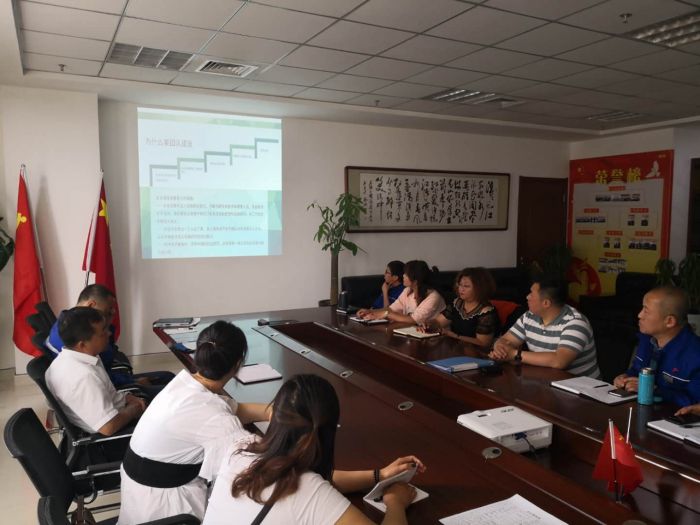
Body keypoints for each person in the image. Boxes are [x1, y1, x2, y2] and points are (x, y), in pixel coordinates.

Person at [203, 374, 425, 525]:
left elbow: (318, 480)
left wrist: (380, 475)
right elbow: (314, 487)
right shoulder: (311, 492)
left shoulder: (240, 449)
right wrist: (395, 503)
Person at [117, 320, 270, 524]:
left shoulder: (184, 386)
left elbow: (236, 410)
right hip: (170, 511)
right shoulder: (212, 415)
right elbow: (253, 465)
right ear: (237, 365)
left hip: (141, 499)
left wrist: (274, 411)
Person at [47, 284, 174, 397]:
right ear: (91, 306)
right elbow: (100, 374)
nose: (111, 317)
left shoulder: (74, 323)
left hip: (110, 380)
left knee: (169, 377)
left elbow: (108, 357)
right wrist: (133, 382)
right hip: (110, 388)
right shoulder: (73, 335)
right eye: (108, 312)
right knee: (175, 392)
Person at [46, 307, 146, 436]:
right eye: (103, 332)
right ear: (82, 344)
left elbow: (107, 394)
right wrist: (133, 410)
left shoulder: (72, 358)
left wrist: (126, 398)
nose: (109, 333)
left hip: (117, 411)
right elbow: (108, 428)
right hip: (115, 436)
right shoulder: (84, 377)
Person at [489, 276, 601, 378]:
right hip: (545, 381)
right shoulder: (529, 316)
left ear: (546, 303)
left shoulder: (576, 322)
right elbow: (506, 339)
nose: (527, 297)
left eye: (531, 294)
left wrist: (515, 354)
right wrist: (500, 349)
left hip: (581, 389)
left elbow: (559, 361)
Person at [613, 286, 700, 406]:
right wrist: (625, 379)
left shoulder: (695, 355)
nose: (639, 315)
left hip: (672, 416)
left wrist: (653, 390)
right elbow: (636, 370)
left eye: (646, 311)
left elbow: (694, 402)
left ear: (669, 321)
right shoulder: (647, 338)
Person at [426, 267, 499, 349]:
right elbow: (439, 322)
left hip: (477, 352)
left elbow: (483, 343)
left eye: (466, 286)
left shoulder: (486, 311)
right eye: (460, 285)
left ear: (480, 288)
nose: (461, 289)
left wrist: (455, 336)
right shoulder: (457, 303)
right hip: (458, 348)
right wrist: (428, 325)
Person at [359, 260, 445, 325]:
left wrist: (385, 314)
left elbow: (413, 320)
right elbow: (391, 309)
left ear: (415, 281)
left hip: (434, 337)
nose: (403, 276)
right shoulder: (407, 290)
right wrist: (370, 312)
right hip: (411, 332)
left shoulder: (433, 297)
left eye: (406, 274)